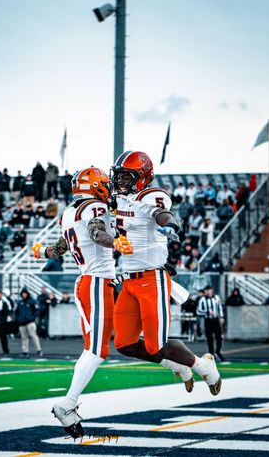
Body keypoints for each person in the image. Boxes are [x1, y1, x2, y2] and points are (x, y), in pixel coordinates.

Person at [110, 150, 222, 398]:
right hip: (128, 279)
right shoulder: (122, 199)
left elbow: (162, 214)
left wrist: (169, 225)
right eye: (118, 176)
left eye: (125, 176)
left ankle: (205, 367)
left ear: (142, 176)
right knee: (124, 344)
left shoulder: (152, 196)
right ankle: (177, 365)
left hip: (151, 279)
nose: (120, 182)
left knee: (156, 344)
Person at [32, 167, 130, 438]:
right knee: (98, 350)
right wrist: (119, 243)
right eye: (105, 184)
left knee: (98, 347)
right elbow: (98, 234)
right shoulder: (94, 207)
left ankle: (69, 403)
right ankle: (68, 403)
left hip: (90, 282)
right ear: (96, 185)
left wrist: (42, 252)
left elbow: (58, 249)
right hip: (96, 282)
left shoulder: (68, 212)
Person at [197, 285, 225, 361]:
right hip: (208, 320)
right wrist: (207, 312)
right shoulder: (202, 299)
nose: (208, 291)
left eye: (209, 290)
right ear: (205, 291)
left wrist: (222, 317)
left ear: (212, 290)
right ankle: (211, 354)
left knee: (219, 337)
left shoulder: (216, 298)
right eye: (207, 290)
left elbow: (220, 308)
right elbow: (198, 311)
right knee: (209, 338)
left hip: (215, 320)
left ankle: (218, 351)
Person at [16, 288, 42, 356]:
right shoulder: (20, 303)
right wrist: (18, 319)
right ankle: (25, 351)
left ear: (27, 294)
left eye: (25, 293)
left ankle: (38, 350)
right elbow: (17, 312)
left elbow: (37, 311)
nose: (24, 295)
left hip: (30, 322)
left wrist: (31, 318)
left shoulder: (32, 301)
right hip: (22, 323)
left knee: (33, 336)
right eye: (23, 293)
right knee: (24, 338)